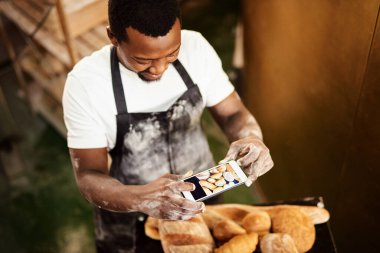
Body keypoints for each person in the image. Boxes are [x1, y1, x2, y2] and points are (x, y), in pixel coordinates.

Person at [62, 0, 274, 252]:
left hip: (203, 189)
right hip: (129, 206)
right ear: (113, 37)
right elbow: (88, 175)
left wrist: (251, 137)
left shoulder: (196, 49)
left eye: (172, 54)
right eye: (142, 60)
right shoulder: (86, 84)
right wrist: (141, 198)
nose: (160, 68)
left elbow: (233, 116)